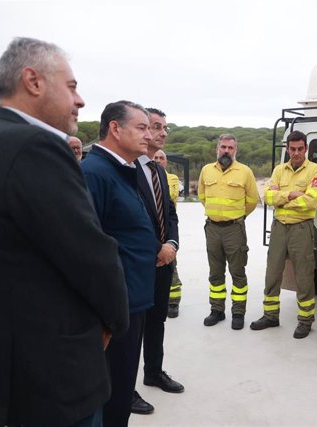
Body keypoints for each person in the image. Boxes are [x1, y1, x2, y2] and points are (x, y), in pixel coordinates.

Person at [0, 37, 128, 427]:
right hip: (51, 382)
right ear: (33, 81)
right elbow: (91, 254)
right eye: (71, 86)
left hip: (3, 373)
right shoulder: (34, 145)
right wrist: (114, 321)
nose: (80, 100)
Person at [81, 100, 158, 427]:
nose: (149, 135)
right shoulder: (95, 172)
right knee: (110, 398)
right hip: (116, 308)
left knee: (122, 390)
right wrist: (104, 317)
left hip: (132, 300)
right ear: (115, 128)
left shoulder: (121, 168)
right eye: (141, 127)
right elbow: (86, 250)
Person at [131, 109, 183, 416]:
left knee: (157, 320)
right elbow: (129, 221)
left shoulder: (159, 170)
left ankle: (153, 371)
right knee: (131, 329)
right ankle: (126, 387)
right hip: (140, 263)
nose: (162, 133)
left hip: (165, 261)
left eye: (164, 127)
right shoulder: (128, 170)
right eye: (155, 126)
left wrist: (172, 244)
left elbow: (171, 214)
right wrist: (156, 249)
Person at [250, 130, 317, 339]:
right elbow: (268, 197)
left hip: (301, 228)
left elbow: (311, 201)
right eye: (293, 149)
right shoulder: (279, 170)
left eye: (300, 149)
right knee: (272, 272)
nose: (296, 153)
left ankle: (305, 320)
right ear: (288, 149)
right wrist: (291, 194)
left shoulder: (315, 171)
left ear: (306, 149)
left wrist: (281, 198)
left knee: (304, 275)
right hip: (279, 227)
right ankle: (270, 315)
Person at [198, 134, 259, 329]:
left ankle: (238, 313)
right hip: (212, 229)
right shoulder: (206, 170)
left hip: (235, 229)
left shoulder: (245, 172)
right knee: (215, 273)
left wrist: (237, 216)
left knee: (237, 272)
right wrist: (217, 213)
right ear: (217, 148)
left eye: (230, 148)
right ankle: (217, 310)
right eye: (223, 147)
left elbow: (252, 201)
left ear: (235, 150)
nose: (226, 151)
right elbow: (202, 196)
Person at [155, 149, 184, 319]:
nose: (158, 160)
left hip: (168, 227)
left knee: (171, 264)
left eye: (161, 158)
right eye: (156, 158)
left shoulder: (172, 179)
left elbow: (171, 196)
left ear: (166, 161)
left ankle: (173, 302)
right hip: (153, 228)